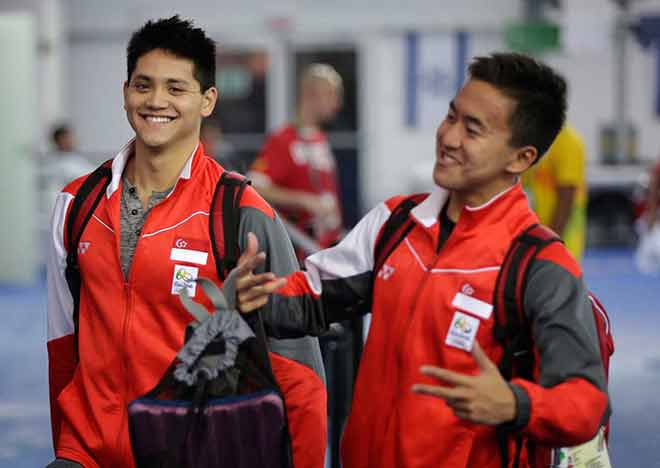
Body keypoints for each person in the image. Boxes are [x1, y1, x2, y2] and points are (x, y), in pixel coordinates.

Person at [235, 53, 609, 467]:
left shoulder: (539, 266)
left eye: (473, 129)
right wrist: (256, 296)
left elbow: (585, 403)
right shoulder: (396, 224)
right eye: (451, 117)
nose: (448, 138)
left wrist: (516, 404)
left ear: (520, 158)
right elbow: (311, 296)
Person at [46, 16, 326, 468]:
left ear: (207, 100)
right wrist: (66, 449)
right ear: (125, 92)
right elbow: (62, 345)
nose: (156, 101)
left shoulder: (241, 213)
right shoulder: (76, 206)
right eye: (144, 85)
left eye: (176, 89)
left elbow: (298, 368)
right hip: (87, 452)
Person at [248, 63, 344, 259]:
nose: (337, 104)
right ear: (310, 95)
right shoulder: (283, 140)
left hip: (326, 248)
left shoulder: (320, 138)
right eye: (331, 95)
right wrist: (303, 200)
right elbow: (253, 188)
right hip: (299, 254)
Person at [523, 124, 587, 261]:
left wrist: (548, 246)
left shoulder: (567, 142)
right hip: (538, 238)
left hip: (562, 242)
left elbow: (566, 199)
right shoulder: (536, 140)